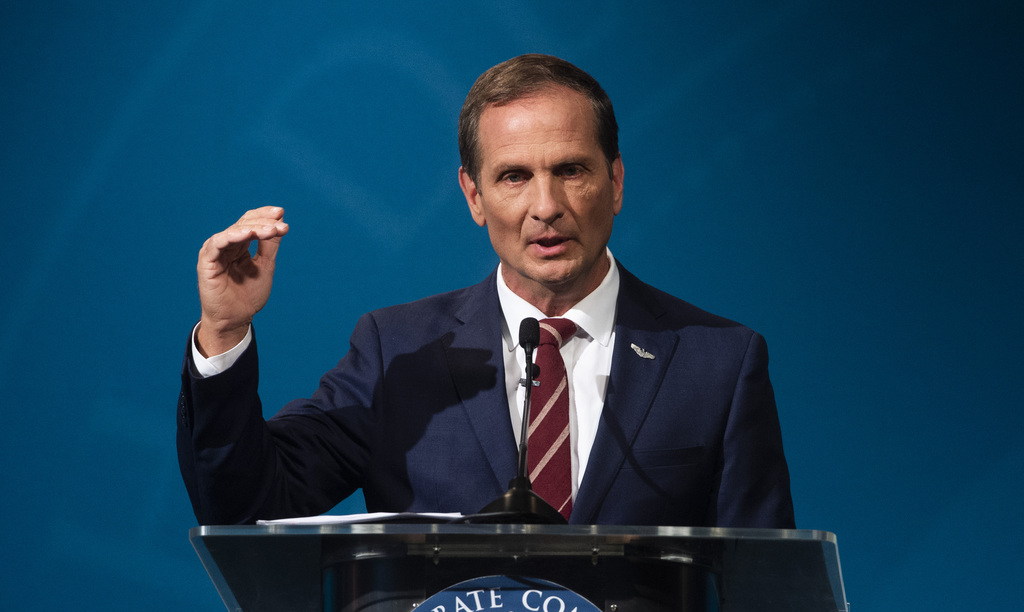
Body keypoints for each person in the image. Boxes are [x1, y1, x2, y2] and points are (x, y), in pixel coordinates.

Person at [177, 53, 794, 541]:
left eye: (571, 171)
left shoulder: (717, 362)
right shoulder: (399, 353)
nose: (545, 207)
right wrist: (225, 332)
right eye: (514, 176)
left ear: (616, 180)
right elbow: (248, 507)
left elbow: (760, 607)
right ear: (474, 196)